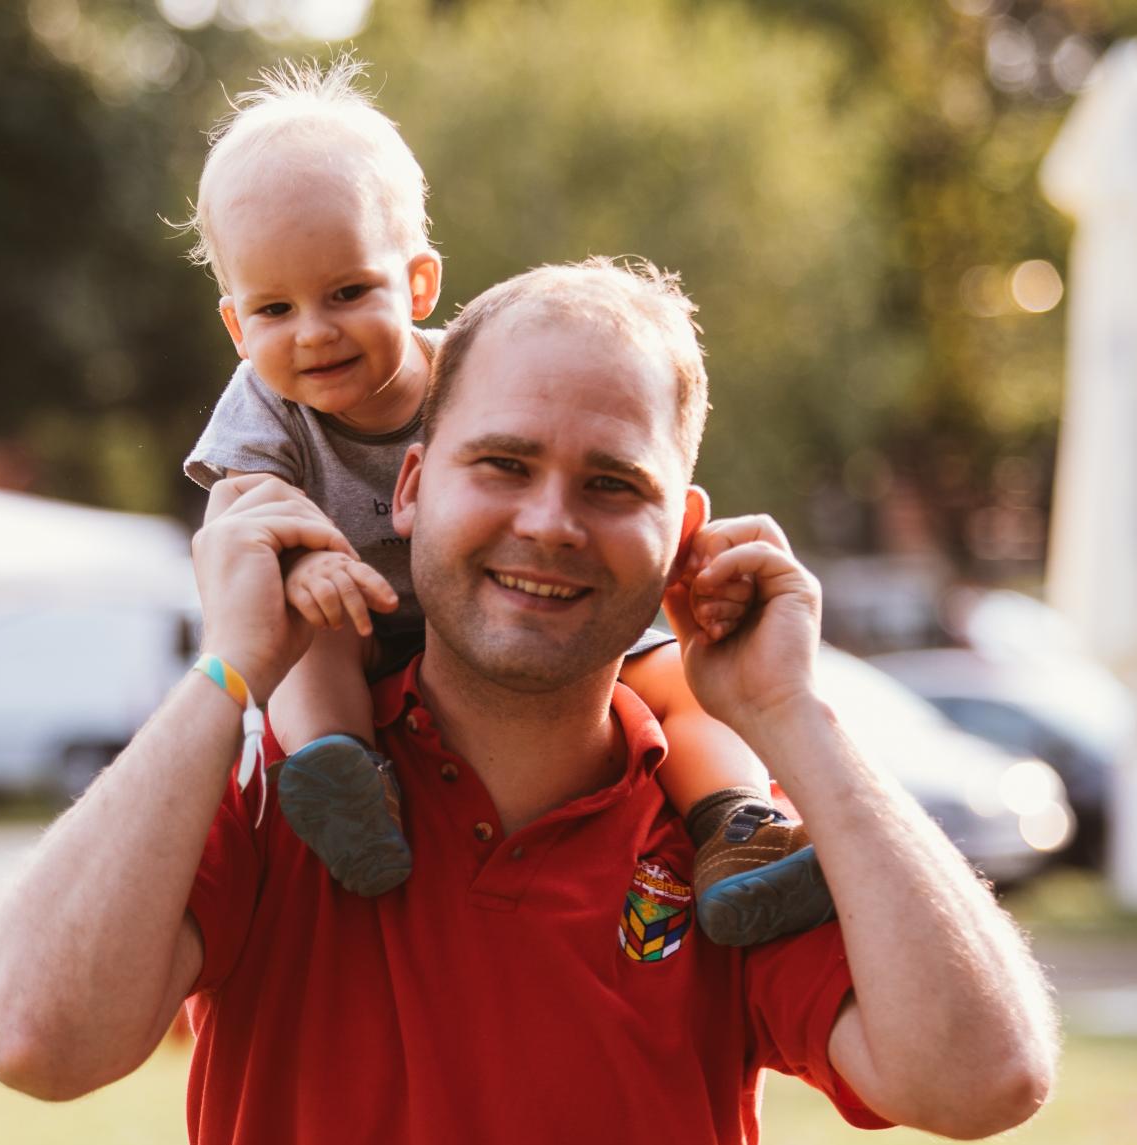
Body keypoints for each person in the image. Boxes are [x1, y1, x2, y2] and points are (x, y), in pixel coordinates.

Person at [0, 259, 1060, 1145]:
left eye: (612, 484)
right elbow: (33, 1041)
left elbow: (983, 1078)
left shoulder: (728, 838)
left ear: (681, 531)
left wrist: (793, 715)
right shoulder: (285, 795)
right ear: (408, 487)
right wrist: (230, 668)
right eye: (502, 463)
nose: (550, 522)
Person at [178, 59, 821, 943]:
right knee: (309, 634)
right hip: (354, 614)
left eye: (348, 292)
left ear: (418, 284)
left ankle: (738, 824)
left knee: (671, 676)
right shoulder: (263, 405)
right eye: (275, 310)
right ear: (236, 326)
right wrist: (304, 562)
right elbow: (242, 512)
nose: (315, 331)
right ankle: (343, 776)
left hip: (502, 612)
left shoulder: (480, 376)